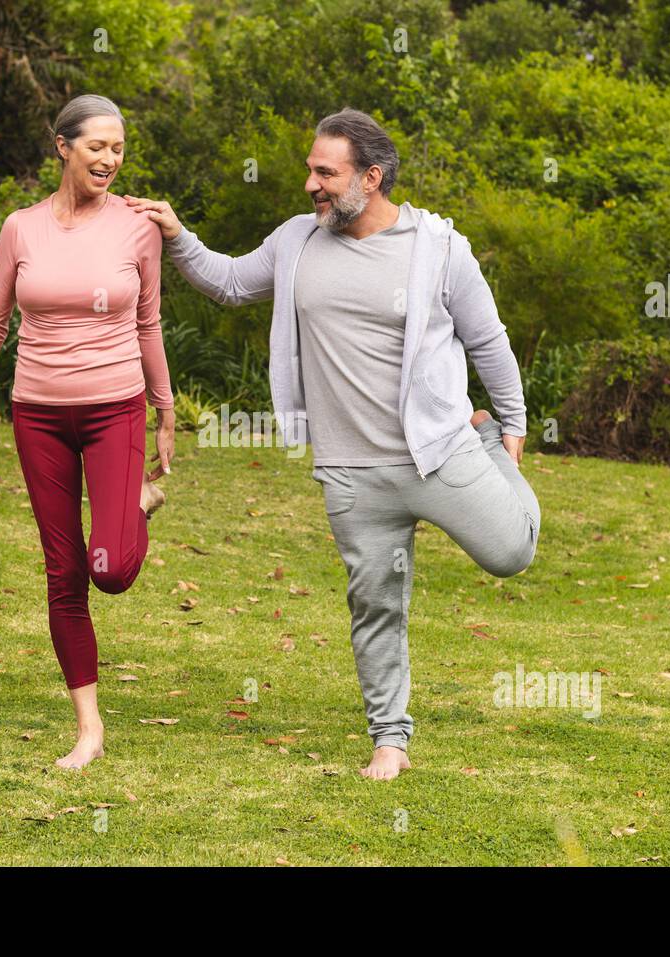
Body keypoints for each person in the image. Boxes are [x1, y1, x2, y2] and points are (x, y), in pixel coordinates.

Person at [125, 108, 540, 780]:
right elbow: (229, 283)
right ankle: (390, 739)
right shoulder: (298, 241)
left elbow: (487, 339)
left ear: (370, 177)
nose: (312, 184)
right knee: (375, 603)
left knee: (511, 551)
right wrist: (178, 236)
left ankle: (485, 434)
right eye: (311, 170)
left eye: (326, 171)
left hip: (438, 450)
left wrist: (510, 428)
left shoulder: (437, 248)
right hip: (351, 469)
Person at [0, 94, 175, 770]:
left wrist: (165, 409)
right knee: (65, 570)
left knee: (113, 570)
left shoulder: (137, 227)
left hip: (114, 409)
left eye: (119, 148)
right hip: (37, 414)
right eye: (97, 146)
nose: (110, 159)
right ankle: (89, 727)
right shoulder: (21, 228)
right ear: (62, 146)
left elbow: (148, 322)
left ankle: (139, 503)